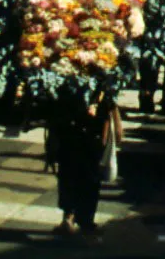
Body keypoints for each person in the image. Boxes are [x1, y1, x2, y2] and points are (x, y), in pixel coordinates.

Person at [50, 99, 117, 239]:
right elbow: (107, 111)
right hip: (89, 137)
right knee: (88, 179)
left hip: (72, 134)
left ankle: (70, 216)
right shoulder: (102, 88)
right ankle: (82, 220)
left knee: (70, 176)